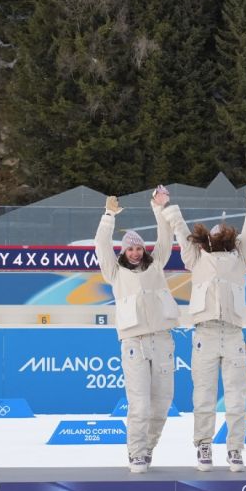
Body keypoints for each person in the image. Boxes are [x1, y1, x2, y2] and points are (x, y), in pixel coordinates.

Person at [161, 197, 246, 473]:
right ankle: (203, 445)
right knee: (204, 396)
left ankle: (235, 449)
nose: (217, 241)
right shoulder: (196, 258)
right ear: (207, 241)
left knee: (237, 397)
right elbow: (180, 230)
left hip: (233, 334)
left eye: (222, 237)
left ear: (229, 239)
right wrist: (168, 207)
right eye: (213, 238)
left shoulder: (240, 259)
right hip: (205, 333)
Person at [95, 188, 180, 473]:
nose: (134, 252)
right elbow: (101, 245)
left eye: (138, 248)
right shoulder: (115, 273)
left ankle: (148, 448)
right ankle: (136, 452)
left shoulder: (156, 265)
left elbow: (166, 236)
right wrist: (109, 216)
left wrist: (159, 207)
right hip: (134, 343)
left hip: (162, 341)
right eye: (130, 249)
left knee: (162, 403)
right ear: (123, 252)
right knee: (139, 404)